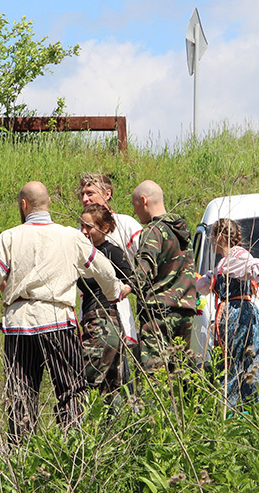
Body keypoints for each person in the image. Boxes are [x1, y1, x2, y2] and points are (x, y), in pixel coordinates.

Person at [0, 182, 129, 444]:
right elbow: (103, 268)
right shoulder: (70, 236)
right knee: (71, 391)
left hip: (19, 325)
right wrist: (114, 292)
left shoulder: (10, 237)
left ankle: (23, 460)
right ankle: (75, 454)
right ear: (48, 204)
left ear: (23, 204)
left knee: (21, 395)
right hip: (58, 321)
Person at [195, 218, 259, 408]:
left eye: (212, 236)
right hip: (231, 317)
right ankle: (242, 404)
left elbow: (257, 267)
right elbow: (203, 285)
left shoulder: (238, 256)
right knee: (236, 361)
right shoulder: (224, 264)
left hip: (240, 317)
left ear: (219, 237)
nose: (211, 241)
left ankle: (252, 402)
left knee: (247, 360)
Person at [130, 180, 199, 373]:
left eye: (135, 206)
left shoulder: (153, 230)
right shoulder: (182, 230)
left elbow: (146, 263)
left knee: (156, 375)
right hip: (185, 311)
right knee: (181, 374)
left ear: (144, 201)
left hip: (159, 315)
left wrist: (129, 286)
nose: (135, 212)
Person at [77, 204, 135, 410]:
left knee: (86, 380)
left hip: (104, 321)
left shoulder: (112, 252)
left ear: (104, 227)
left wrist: (118, 293)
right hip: (93, 319)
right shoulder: (82, 253)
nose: (83, 231)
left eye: (89, 226)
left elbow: (133, 280)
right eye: (81, 225)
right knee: (110, 385)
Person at [77, 173, 141, 348]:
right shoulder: (79, 232)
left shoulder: (125, 224)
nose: (85, 199)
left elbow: (147, 260)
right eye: (82, 194)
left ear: (107, 194)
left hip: (116, 312)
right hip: (88, 312)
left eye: (90, 193)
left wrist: (127, 288)